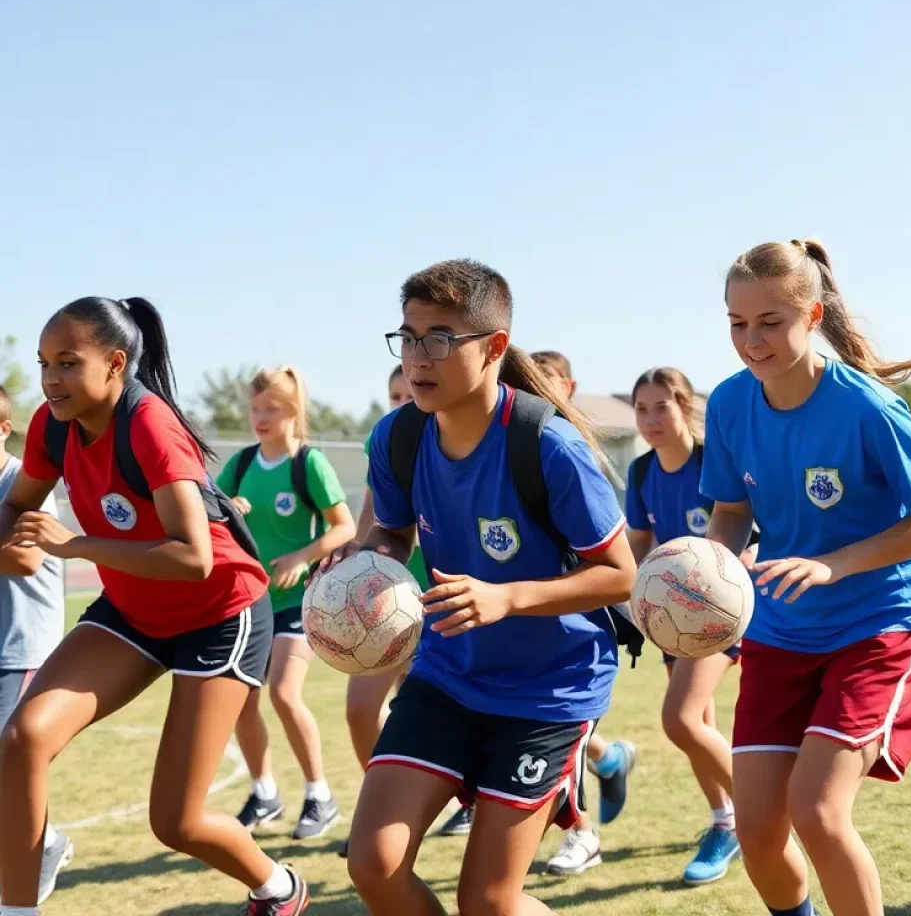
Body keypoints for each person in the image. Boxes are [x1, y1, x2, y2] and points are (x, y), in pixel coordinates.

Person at [343, 259, 637, 916]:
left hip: (548, 694)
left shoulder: (547, 446)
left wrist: (507, 597)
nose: (420, 356)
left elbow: (621, 575)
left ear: (493, 348)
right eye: (410, 336)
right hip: (447, 675)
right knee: (373, 863)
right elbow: (391, 535)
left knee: (488, 902)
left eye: (440, 337)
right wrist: (369, 574)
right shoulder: (397, 437)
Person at [0, 297, 309, 916]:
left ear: (115, 364)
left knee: (177, 821)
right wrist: (12, 540)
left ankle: (279, 889)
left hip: (221, 613)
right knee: (21, 738)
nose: (50, 379)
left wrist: (74, 545)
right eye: (43, 364)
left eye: (67, 362)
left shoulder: (149, 425)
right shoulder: (50, 425)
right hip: (134, 612)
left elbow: (195, 557)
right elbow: (16, 504)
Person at [700, 241, 911, 916]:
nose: (751, 339)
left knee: (818, 812)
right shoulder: (731, 404)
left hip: (879, 621)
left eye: (770, 322)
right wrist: (713, 569)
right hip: (783, 627)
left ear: (813, 315)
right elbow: (733, 510)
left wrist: (834, 563)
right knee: (760, 831)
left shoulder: (865, 406)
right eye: (737, 322)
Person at [221, 367, 356, 840]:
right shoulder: (239, 466)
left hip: (300, 602)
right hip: (250, 601)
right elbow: (212, 514)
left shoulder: (309, 464)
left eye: (270, 409)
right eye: (255, 408)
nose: (260, 417)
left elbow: (345, 527)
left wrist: (301, 557)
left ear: (293, 411)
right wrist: (228, 508)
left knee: (283, 692)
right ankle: (264, 793)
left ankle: (320, 796)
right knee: (239, 701)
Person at [625, 366, 745, 884]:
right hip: (669, 618)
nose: (651, 419)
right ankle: (727, 821)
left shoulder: (713, 463)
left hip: (718, 614)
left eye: (661, 407)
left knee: (681, 721)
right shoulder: (639, 472)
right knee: (700, 727)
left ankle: (756, 813)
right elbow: (636, 546)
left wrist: (719, 587)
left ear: (685, 406)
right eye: (642, 409)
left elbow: (748, 530)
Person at [530, 350, 637, 876]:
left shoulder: (569, 449)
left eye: (545, 384)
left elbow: (613, 558)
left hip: (571, 627)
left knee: (554, 744)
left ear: (567, 387)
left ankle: (583, 834)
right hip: (501, 630)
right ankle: (610, 759)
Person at [337, 366, 434, 857]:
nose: (403, 401)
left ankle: (581, 815)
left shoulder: (449, 444)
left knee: (456, 718)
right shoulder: (389, 446)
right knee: (359, 710)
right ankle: (380, 813)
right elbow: (371, 530)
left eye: (407, 392)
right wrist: (353, 559)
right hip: (387, 607)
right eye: (394, 394)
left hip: (444, 605)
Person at [0, 388, 72, 907]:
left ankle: (42, 847)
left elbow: (26, 560)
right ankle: (44, 842)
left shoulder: (24, 480)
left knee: (8, 764)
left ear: (4, 431)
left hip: (24, 647)